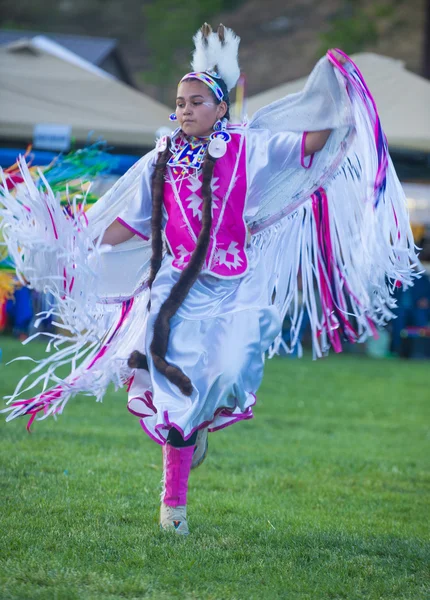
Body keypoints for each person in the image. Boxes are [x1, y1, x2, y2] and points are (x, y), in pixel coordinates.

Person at [0, 24, 417, 535]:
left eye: (198, 100)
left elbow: (311, 142)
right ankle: (173, 505)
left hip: (234, 288)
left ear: (221, 108)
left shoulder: (249, 149)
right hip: (172, 289)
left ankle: (195, 427)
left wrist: (340, 97)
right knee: (176, 397)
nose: (186, 108)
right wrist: (79, 247)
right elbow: (129, 222)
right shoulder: (160, 159)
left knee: (228, 371)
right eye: (180, 101)